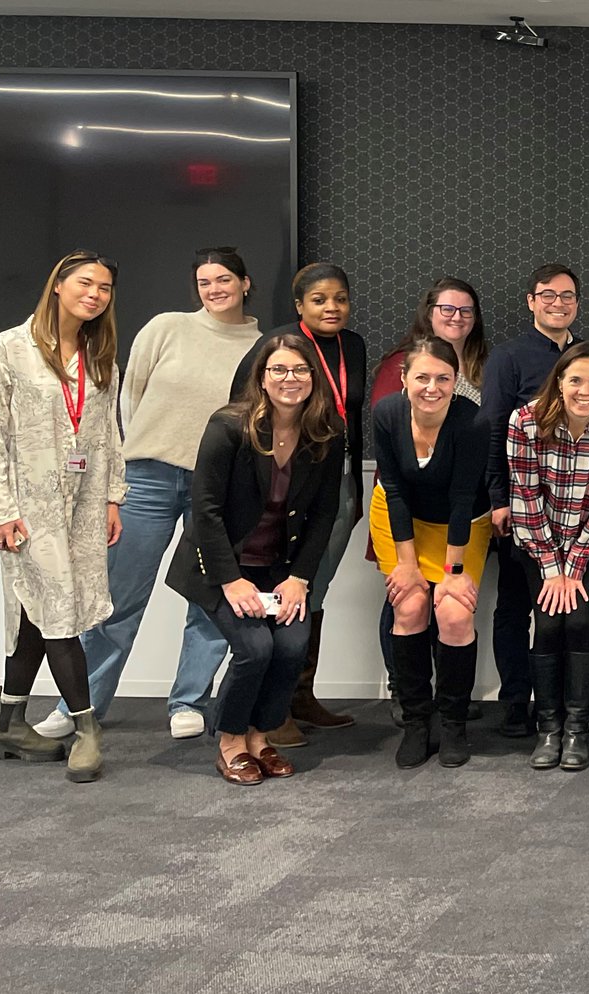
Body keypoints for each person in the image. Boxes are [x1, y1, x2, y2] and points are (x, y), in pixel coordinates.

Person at [38, 247, 260, 742]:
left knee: (209, 597)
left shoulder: (262, 345)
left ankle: (189, 700)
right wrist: (126, 468)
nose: (214, 289)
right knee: (118, 598)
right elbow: (127, 399)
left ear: (246, 284)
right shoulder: (167, 328)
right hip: (150, 477)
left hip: (218, 486)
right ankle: (81, 705)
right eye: (204, 282)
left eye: (224, 279)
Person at [0, 251, 125, 783]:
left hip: (83, 504)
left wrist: (111, 497)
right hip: (28, 505)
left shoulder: (99, 354)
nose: (96, 294)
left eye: (105, 288)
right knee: (57, 608)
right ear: (57, 285)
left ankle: (9, 722)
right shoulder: (8, 350)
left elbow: (107, 435)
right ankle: (87, 727)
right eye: (86, 283)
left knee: (40, 608)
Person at [169, 333, 345, 785]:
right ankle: (230, 742)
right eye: (279, 370)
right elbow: (204, 510)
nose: (291, 378)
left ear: (314, 377)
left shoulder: (327, 430)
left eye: (300, 370)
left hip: (281, 570)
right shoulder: (229, 425)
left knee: (290, 647)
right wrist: (231, 582)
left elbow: (325, 513)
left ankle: (259, 737)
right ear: (262, 378)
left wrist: (301, 578)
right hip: (221, 566)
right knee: (254, 648)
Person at [229, 263, 369, 746]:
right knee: (280, 588)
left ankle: (300, 695)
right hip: (286, 484)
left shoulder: (353, 345)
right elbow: (242, 410)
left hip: (339, 480)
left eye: (341, 299)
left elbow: (350, 414)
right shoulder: (279, 345)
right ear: (299, 306)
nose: (332, 307)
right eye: (320, 300)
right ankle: (272, 711)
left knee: (315, 586)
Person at [505, 343, 589, 772]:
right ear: (559, 381)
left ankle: (578, 729)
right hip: (537, 538)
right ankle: (549, 729)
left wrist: (574, 565)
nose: (585, 390)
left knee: (578, 621)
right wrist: (551, 567)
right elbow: (524, 498)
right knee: (546, 625)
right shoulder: (525, 421)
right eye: (575, 379)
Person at [363, 278, 489, 724]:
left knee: (453, 609)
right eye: (422, 378)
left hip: (458, 516)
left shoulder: (472, 416)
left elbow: (462, 497)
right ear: (404, 377)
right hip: (401, 511)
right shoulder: (387, 410)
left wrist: (454, 572)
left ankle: (451, 714)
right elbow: (394, 488)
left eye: (443, 378)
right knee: (408, 600)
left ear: (456, 381)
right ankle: (410, 704)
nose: (431, 387)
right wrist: (407, 563)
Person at [480, 263, 584, 738]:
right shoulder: (509, 357)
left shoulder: (588, 356)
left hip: (574, 506)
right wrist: (498, 498)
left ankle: (558, 703)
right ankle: (515, 700)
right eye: (547, 295)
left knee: (560, 608)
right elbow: (493, 429)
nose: (557, 303)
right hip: (519, 504)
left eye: (566, 296)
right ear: (531, 301)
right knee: (515, 604)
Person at [369, 278, 488, 406]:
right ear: (430, 313)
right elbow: (385, 418)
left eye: (465, 310)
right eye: (447, 309)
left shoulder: (486, 366)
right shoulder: (401, 363)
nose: (457, 317)